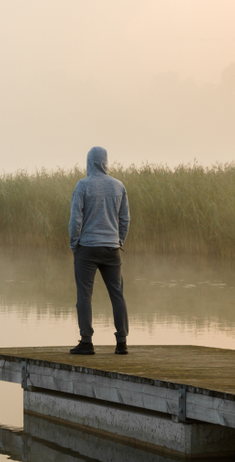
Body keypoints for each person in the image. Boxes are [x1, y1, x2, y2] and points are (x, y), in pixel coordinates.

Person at [68, 146, 130, 355]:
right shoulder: (118, 186)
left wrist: (74, 244)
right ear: (105, 162)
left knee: (84, 295)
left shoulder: (83, 185)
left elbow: (76, 218)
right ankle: (121, 342)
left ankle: (86, 341)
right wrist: (118, 240)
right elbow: (125, 219)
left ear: (89, 162)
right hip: (112, 249)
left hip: (87, 248)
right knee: (117, 295)